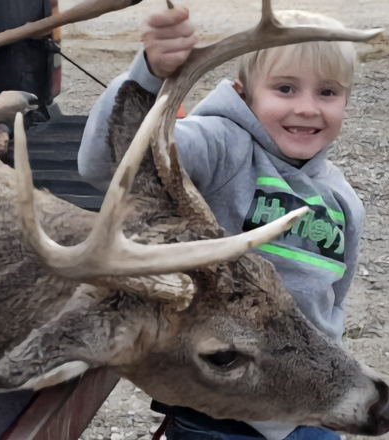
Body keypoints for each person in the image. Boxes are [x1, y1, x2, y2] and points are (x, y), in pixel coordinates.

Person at [77, 5, 365, 440]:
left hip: (306, 408)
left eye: (328, 93)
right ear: (243, 93)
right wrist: (150, 72)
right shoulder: (222, 147)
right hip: (219, 412)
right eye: (285, 88)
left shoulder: (343, 200)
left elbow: (334, 298)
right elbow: (111, 164)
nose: (307, 108)